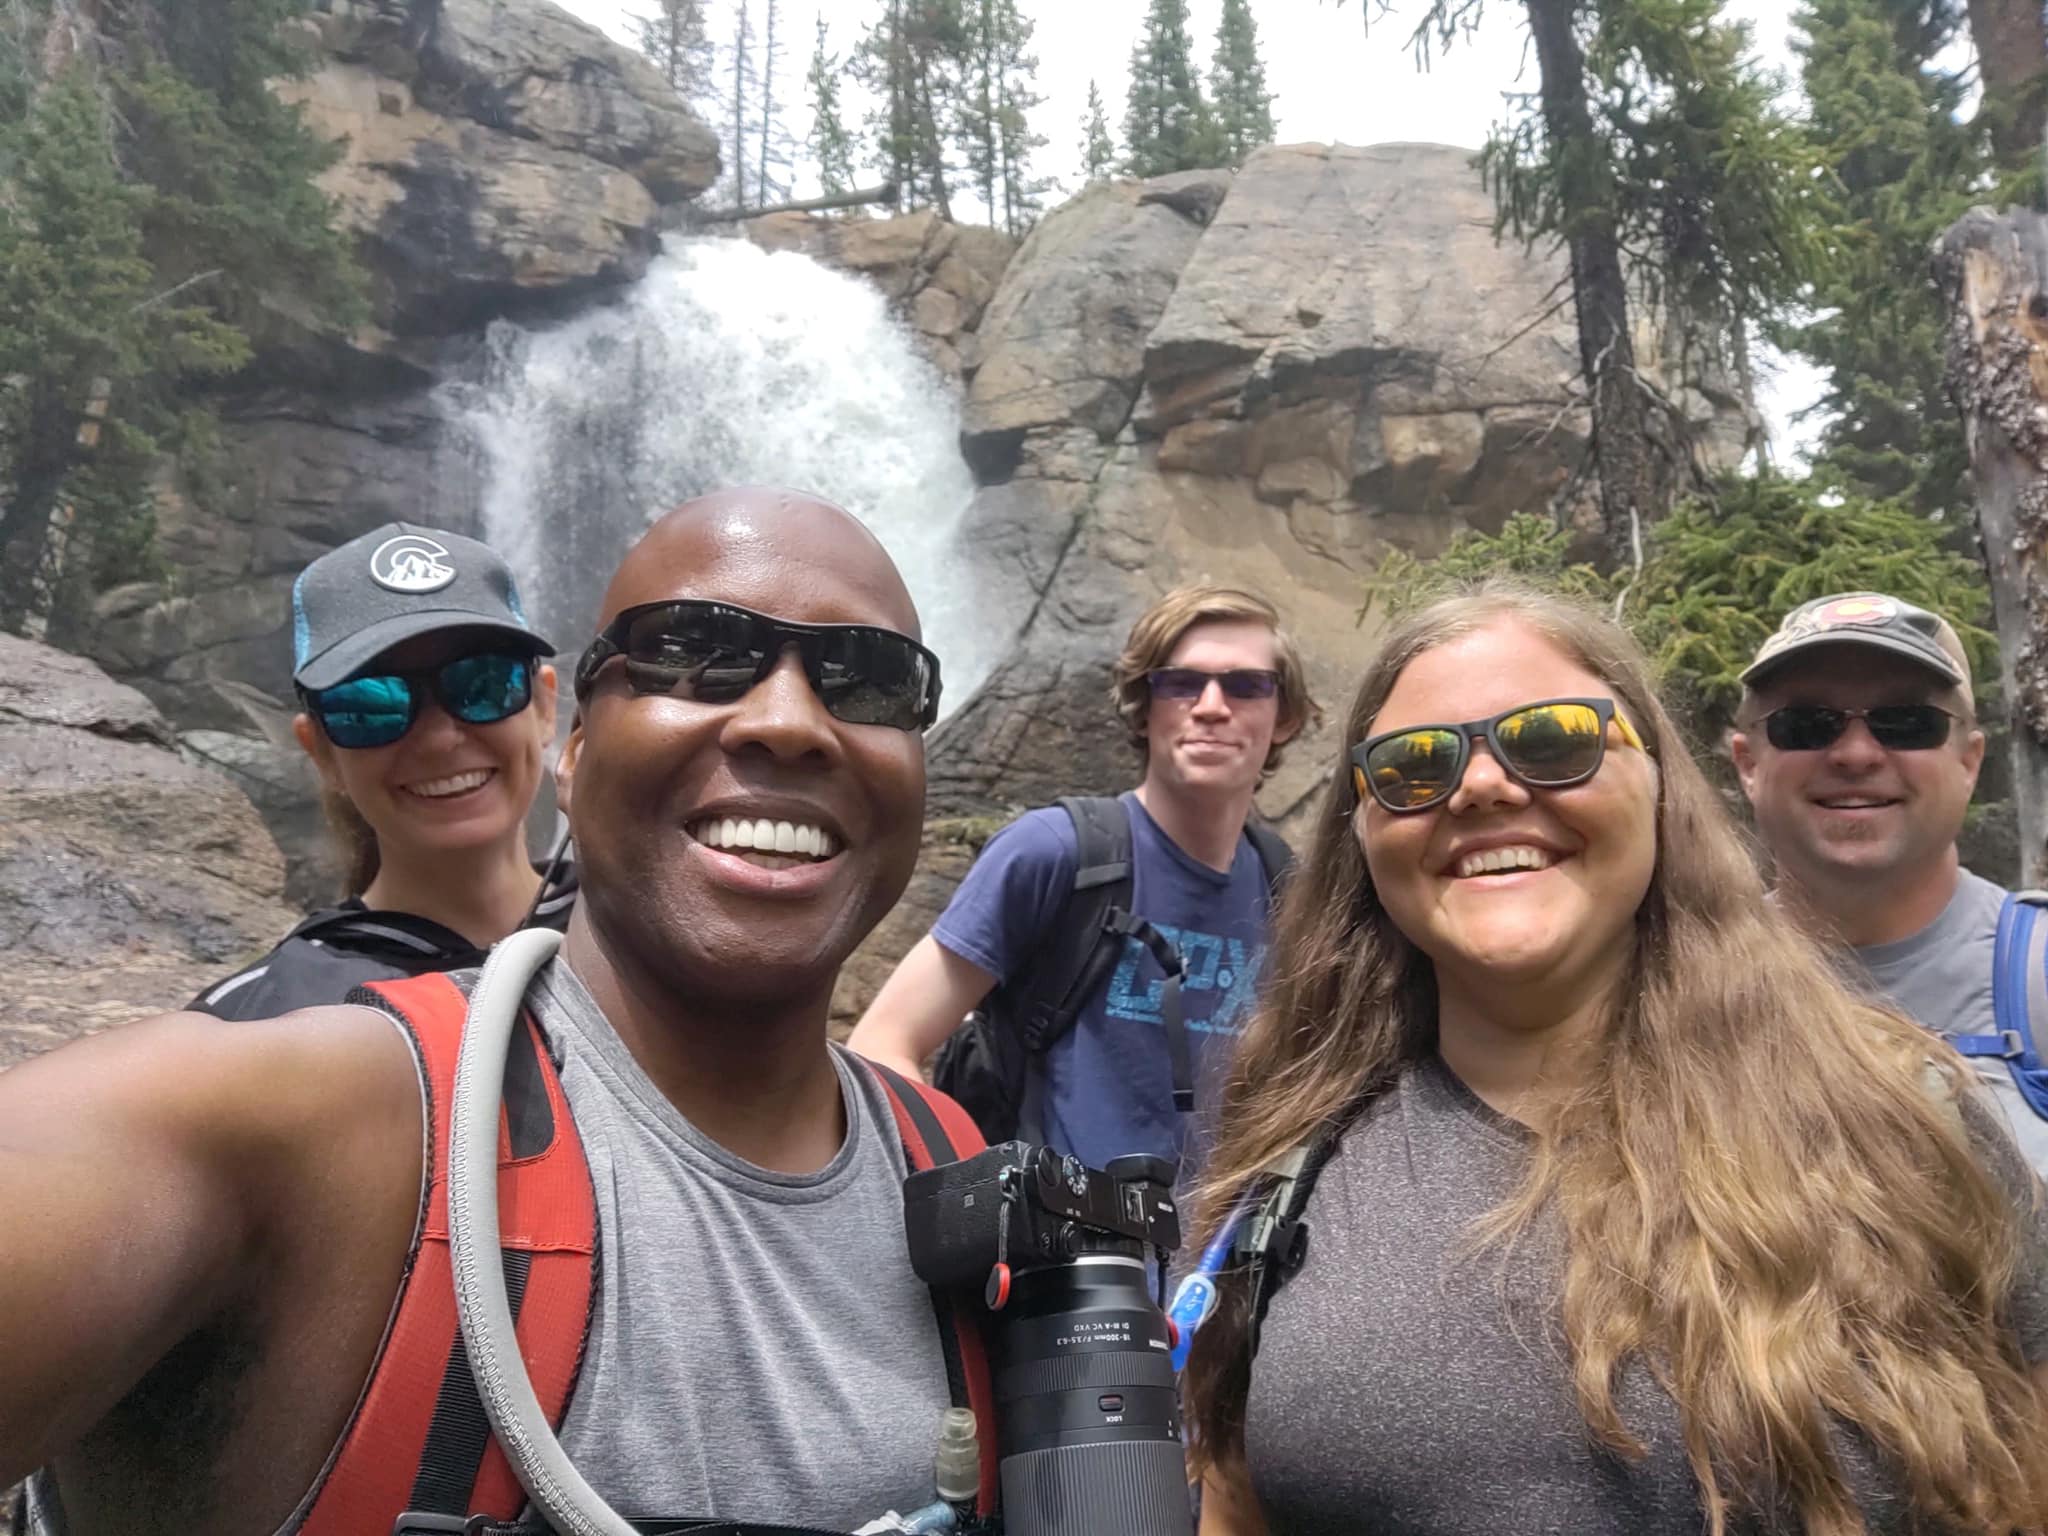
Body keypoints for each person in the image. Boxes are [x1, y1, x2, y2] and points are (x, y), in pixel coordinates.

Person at [1, 489, 991, 1535]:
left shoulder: (949, 1160)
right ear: (576, 746)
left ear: (537, 711)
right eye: (691, 653)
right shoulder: (309, 1111)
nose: (788, 722)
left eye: (869, 679)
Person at [1183, 582, 2048, 1536]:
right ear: (1362, 829)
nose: (1481, 786)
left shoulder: (1904, 1117)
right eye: (1414, 764)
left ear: (1662, 786)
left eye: (1553, 740)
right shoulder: (1289, 1163)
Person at [847, 584, 1320, 1175]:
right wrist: (972, 1203)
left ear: (1286, 717)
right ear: (1144, 706)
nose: (1211, 706)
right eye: (1181, 683)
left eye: (1247, 686)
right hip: (1057, 1258)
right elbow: (883, 1045)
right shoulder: (1056, 853)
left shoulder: (1289, 890)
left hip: (1222, 1261)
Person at [189, 522, 574, 1021]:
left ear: (545, 707)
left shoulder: (650, 933)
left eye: (482, 683)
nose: (440, 738)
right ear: (322, 753)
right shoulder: (258, 1019)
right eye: (369, 706)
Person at [1729, 591, 2048, 1175]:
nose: (1855, 754)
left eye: (1906, 723)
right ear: (1748, 764)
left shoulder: (2039, 974)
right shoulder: (1670, 986)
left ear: (1970, 762)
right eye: (1807, 724)